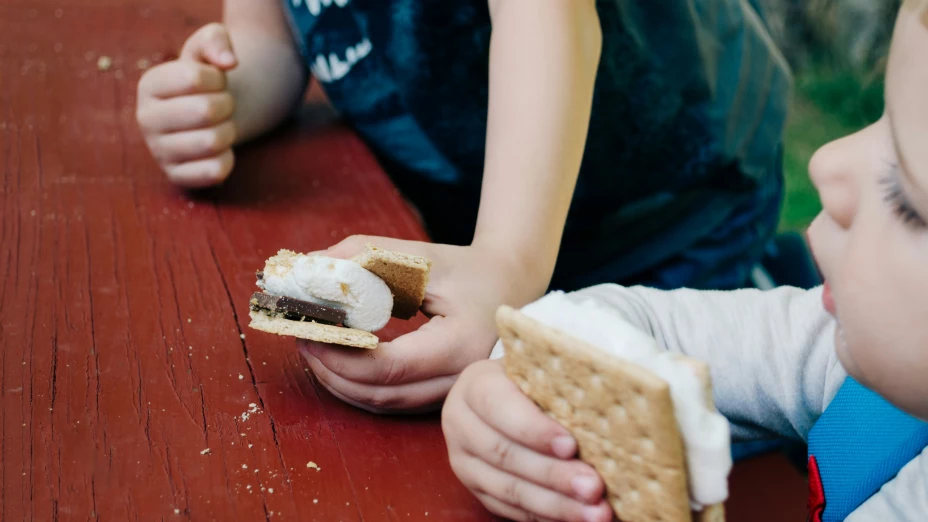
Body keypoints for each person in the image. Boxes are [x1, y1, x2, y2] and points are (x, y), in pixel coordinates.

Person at [135, 0, 790, 413]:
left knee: (664, 424)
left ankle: (787, 302)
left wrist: (507, 260)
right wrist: (223, 99)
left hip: (670, 208)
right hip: (475, 215)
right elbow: (272, 39)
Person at [441, 2, 928, 521]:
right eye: (880, 117)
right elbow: (612, 328)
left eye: (908, 200)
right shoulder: (829, 348)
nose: (825, 163)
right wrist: (510, 391)